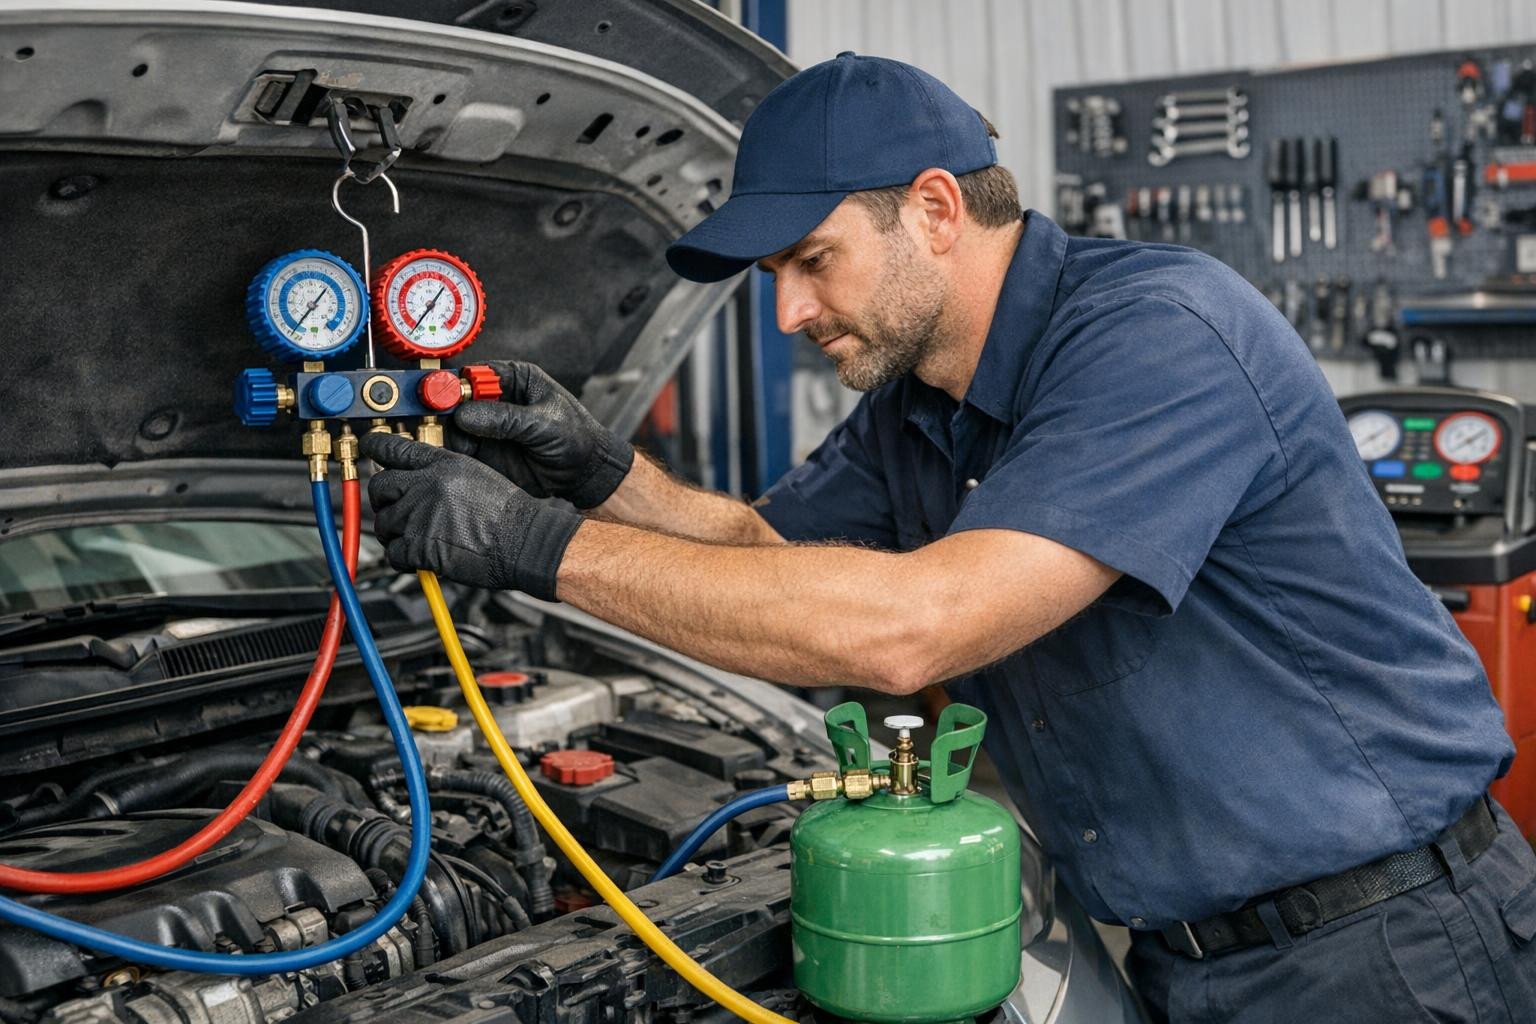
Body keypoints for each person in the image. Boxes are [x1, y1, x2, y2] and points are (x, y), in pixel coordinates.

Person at [360, 53, 1536, 1023]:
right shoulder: (918, 403)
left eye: (811, 262)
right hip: (1188, 956)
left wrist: (532, 545)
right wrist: (598, 473)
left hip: (1386, 949)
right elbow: (764, 551)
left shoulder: (1157, 336)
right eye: (775, 274)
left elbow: (913, 627)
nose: (789, 312)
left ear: (932, 209)